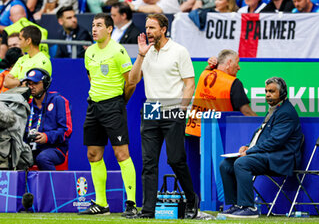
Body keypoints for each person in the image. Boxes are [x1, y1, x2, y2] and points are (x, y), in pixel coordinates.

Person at [128, 13, 199, 219]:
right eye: (147, 28)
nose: (148, 31)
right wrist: (141, 55)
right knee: (148, 162)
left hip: (173, 109)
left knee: (176, 159)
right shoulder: (146, 52)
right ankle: (149, 209)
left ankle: (191, 198)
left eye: (152, 28)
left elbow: (189, 84)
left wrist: (182, 110)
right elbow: (132, 81)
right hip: (151, 110)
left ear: (163, 29)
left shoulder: (179, 51)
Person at [219, 77, 303, 218]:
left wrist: (250, 151)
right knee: (225, 165)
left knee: (241, 163)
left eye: (272, 91)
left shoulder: (286, 112)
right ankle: (236, 205)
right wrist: (247, 146)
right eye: (266, 91)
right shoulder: (275, 109)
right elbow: (263, 135)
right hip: (267, 155)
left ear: (282, 93)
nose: (268, 95)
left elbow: (275, 142)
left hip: (280, 158)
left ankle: (249, 208)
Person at [79, 13, 137, 217]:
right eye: (93, 25)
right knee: (93, 155)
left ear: (110, 29)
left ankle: (131, 203)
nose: (94, 29)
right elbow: (91, 78)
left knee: (122, 154)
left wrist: (120, 102)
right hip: (93, 106)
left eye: (99, 25)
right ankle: (101, 204)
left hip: (114, 106)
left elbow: (130, 82)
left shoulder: (118, 51)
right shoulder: (89, 52)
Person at [185, 50, 257, 137]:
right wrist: (262, 124)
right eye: (237, 63)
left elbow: (209, 68)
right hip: (219, 135)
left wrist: (212, 65)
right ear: (229, 62)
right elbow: (246, 112)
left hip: (195, 130)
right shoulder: (233, 83)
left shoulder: (204, 74)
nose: (239, 67)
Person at [22, 68, 72, 170]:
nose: (31, 87)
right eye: (29, 83)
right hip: (30, 149)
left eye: (35, 83)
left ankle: (54, 186)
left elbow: (66, 131)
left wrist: (47, 137)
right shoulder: (27, 105)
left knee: (43, 158)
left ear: (45, 83)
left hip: (54, 149)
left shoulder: (59, 101)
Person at [4, 25, 52, 89]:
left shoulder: (43, 61)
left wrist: (15, 81)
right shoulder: (21, 59)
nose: (19, 43)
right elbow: (6, 82)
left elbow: (32, 86)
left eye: (20, 39)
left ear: (28, 41)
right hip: (18, 98)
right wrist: (21, 82)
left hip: (32, 99)